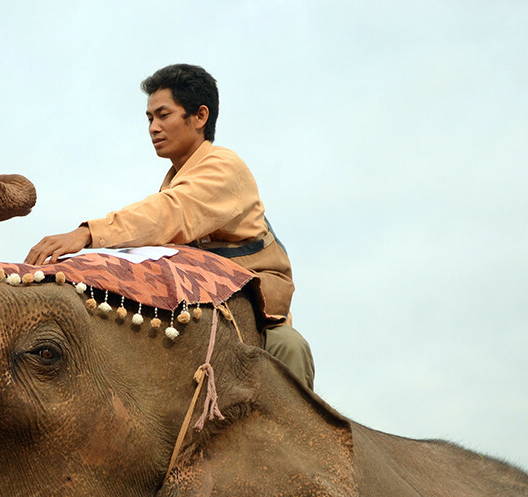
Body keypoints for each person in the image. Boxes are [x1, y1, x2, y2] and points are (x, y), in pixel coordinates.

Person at [25, 63, 314, 388]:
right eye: (149, 118)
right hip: (204, 312)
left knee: (290, 347)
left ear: (200, 117)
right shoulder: (175, 182)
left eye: (164, 115)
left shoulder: (224, 168)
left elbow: (169, 213)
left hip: (257, 319)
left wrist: (87, 234)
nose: (153, 127)